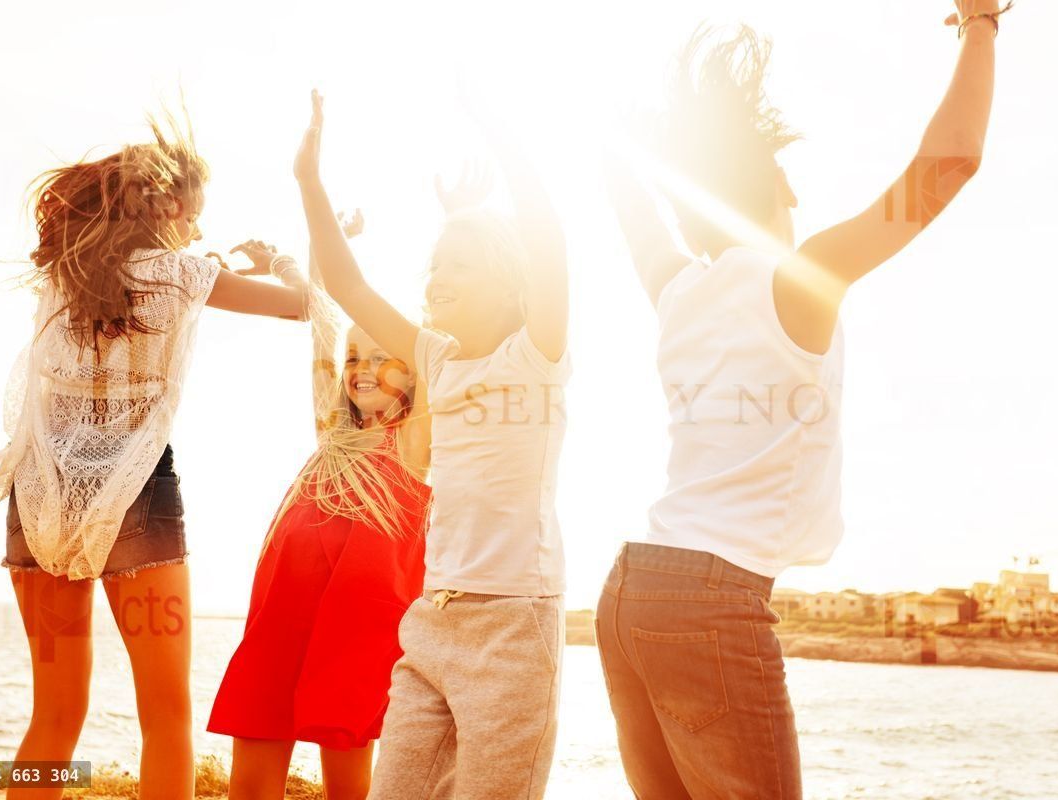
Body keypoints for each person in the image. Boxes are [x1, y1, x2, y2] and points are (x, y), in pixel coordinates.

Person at [597, 3, 1008, 797]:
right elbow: (950, 163)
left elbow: (634, 213)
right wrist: (982, 22)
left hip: (630, 593)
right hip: (713, 599)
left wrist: (630, 153)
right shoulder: (800, 278)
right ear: (779, 184)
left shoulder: (677, 288)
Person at [0, 109, 338, 800]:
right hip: (136, 496)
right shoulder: (182, 275)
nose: (199, 230)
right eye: (195, 213)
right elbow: (305, 305)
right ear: (171, 204)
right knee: (165, 715)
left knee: (53, 716)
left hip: (40, 496)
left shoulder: (65, 272)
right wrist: (278, 263)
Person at [292, 88, 571, 799]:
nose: (439, 278)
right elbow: (349, 284)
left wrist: (504, 136)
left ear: (509, 283)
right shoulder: (434, 358)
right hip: (432, 621)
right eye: (435, 266)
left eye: (461, 266)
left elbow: (544, 242)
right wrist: (309, 182)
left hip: (514, 624)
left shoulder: (537, 352)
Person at [206, 218, 433, 800]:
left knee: (347, 774)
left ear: (413, 373)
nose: (359, 369)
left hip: (358, 622)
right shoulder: (335, 431)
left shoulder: (415, 439)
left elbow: (437, 356)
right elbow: (323, 321)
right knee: (256, 742)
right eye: (354, 358)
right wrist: (289, 261)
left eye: (380, 358)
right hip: (284, 604)